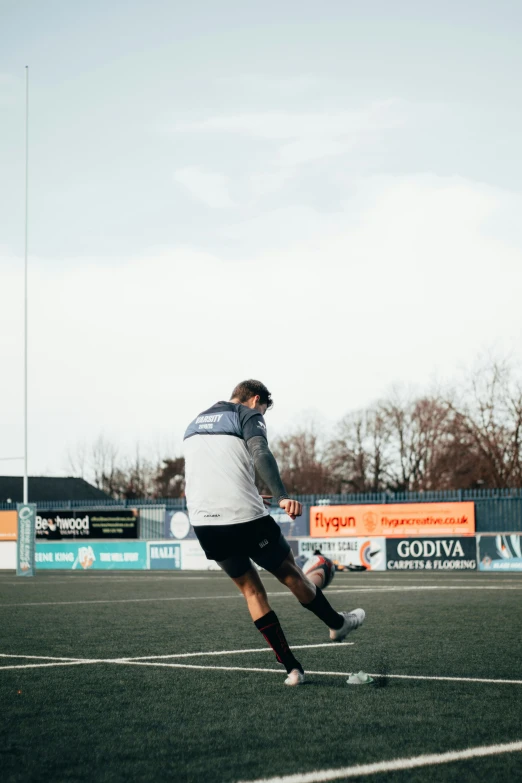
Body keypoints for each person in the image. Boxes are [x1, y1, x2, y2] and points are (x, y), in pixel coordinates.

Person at [183, 379, 365, 686]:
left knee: (252, 592)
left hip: (204, 522)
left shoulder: (194, 423)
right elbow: (260, 453)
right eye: (264, 409)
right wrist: (280, 495)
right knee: (291, 573)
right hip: (244, 518)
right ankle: (337, 623)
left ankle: (293, 670)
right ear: (255, 400)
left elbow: (217, 471)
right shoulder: (247, 414)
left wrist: (252, 493)